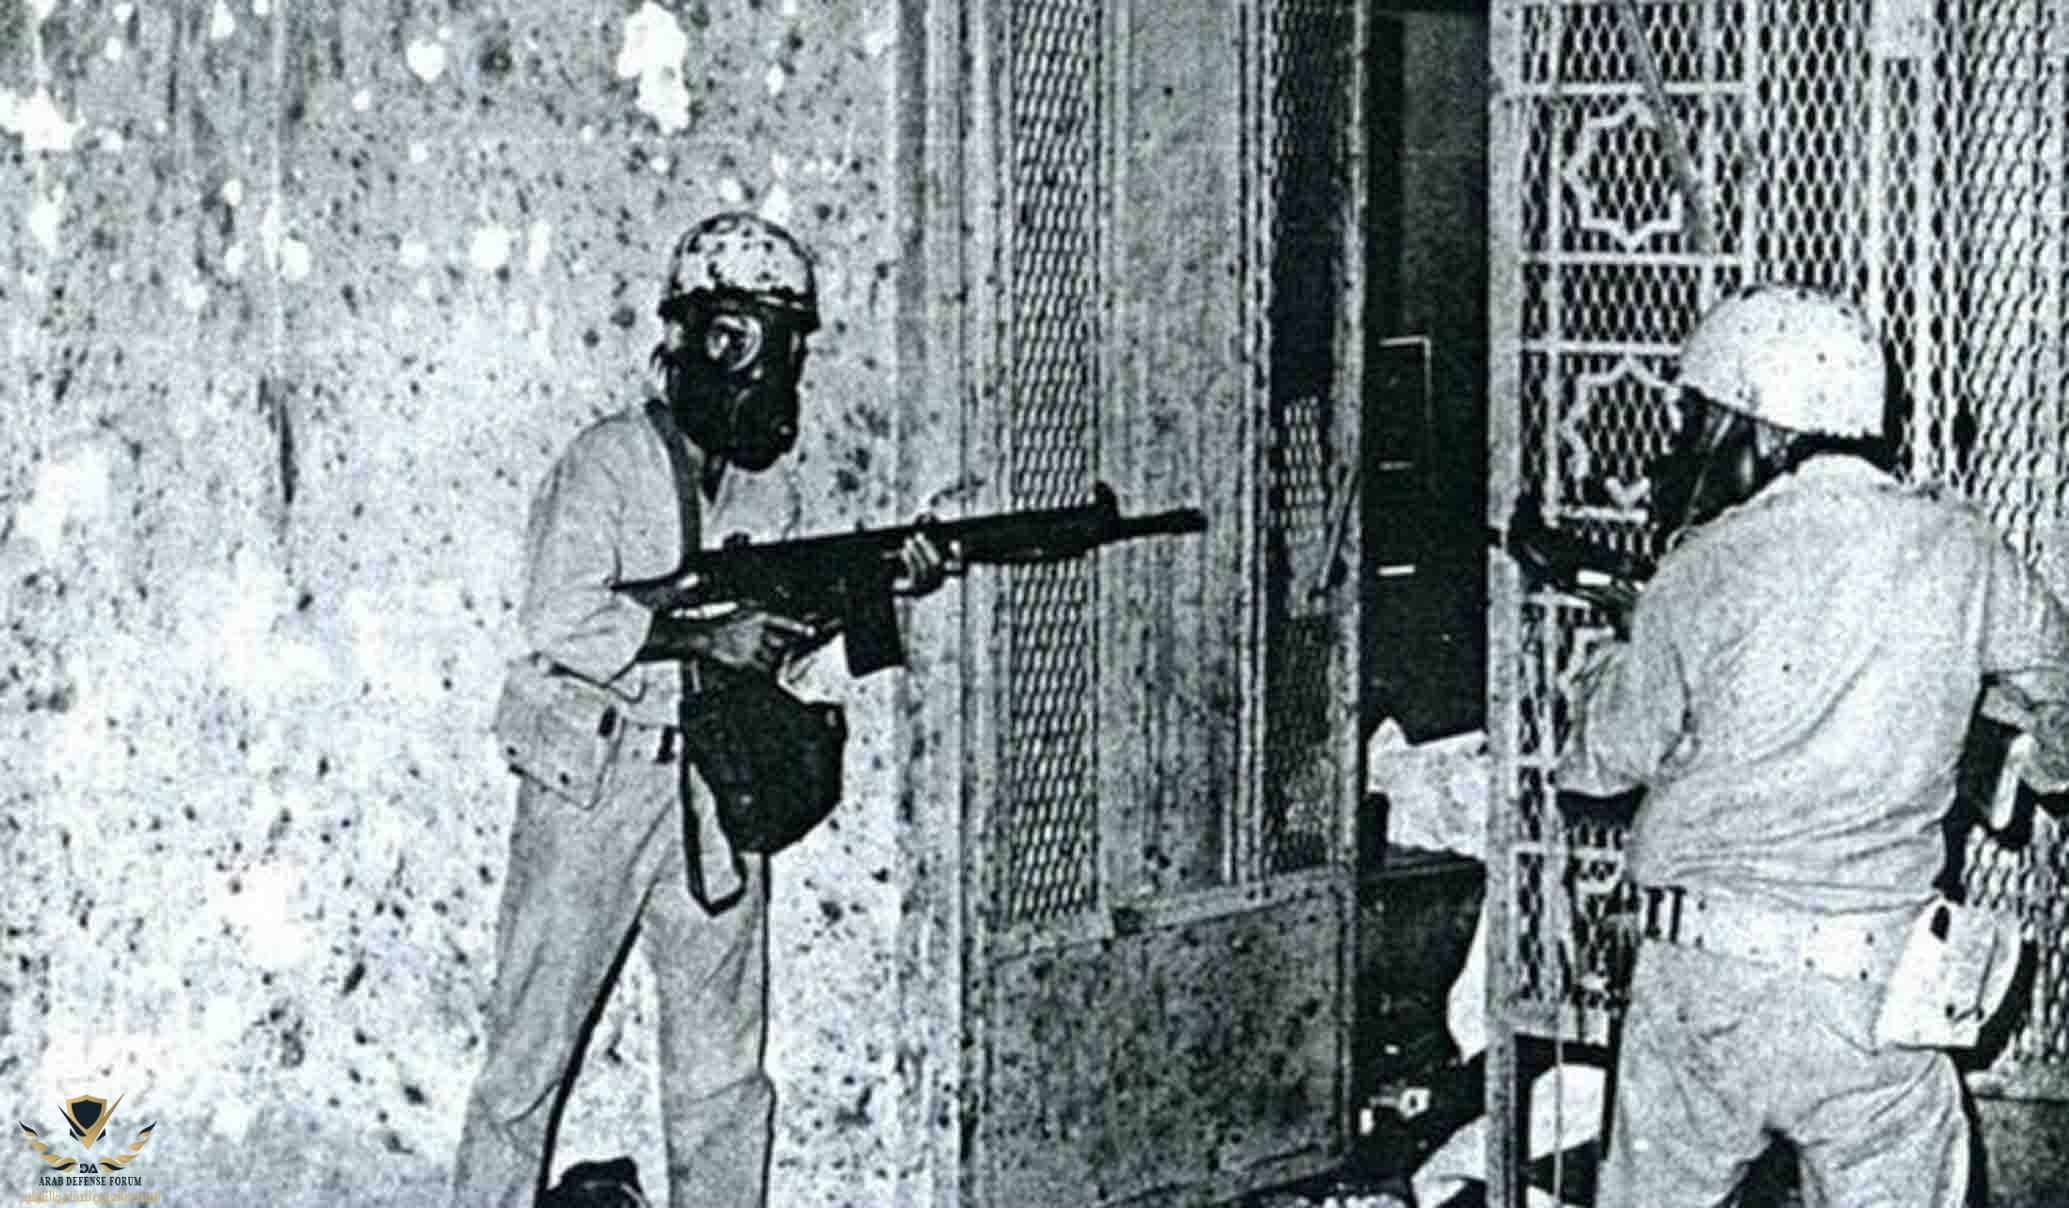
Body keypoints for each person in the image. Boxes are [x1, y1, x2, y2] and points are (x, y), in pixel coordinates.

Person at [453, 212, 948, 1208]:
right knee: (527, 1057)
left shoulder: (758, 494)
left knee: (723, 1069)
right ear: (699, 337)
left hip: (711, 784)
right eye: (750, 337)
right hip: (593, 785)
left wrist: (873, 591)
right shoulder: (607, 462)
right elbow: (558, 614)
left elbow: (766, 650)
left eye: (783, 345)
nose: (769, 371)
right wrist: (700, 638)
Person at [1559, 283, 2069, 1207]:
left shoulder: (1706, 559)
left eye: (1706, 421)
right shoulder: (1963, 546)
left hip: (1703, 984)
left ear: (1759, 428)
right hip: (1874, 988)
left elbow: (1603, 761)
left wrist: (1606, 655)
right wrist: (2015, 758)